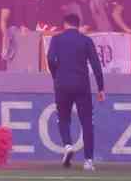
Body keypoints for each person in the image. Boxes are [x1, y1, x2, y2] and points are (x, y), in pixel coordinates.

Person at [46, 14, 105, 172]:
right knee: (86, 122)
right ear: (78, 25)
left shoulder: (56, 39)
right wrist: (101, 88)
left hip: (62, 84)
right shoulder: (86, 40)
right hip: (81, 85)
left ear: (64, 24)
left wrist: (56, 75)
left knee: (63, 118)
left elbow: (50, 59)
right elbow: (96, 66)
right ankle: (88, 161)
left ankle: (67, 145)